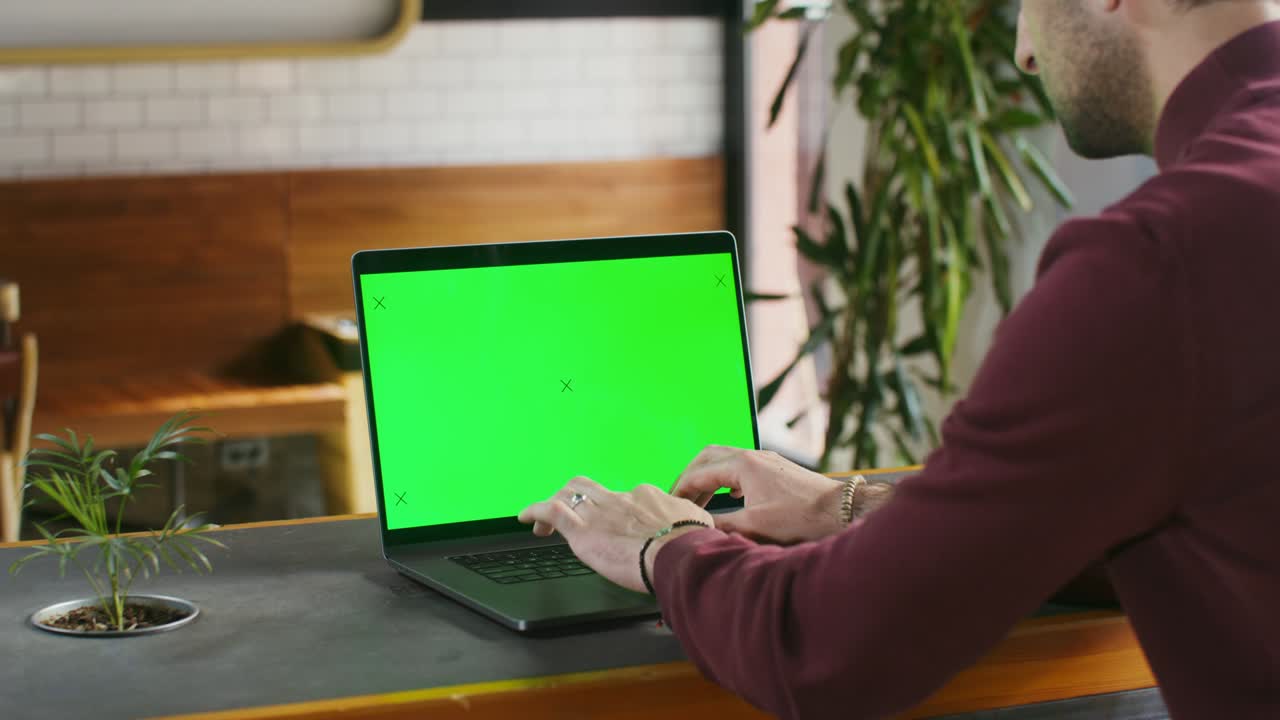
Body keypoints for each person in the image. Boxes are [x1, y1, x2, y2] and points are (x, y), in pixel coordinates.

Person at [519, 1, 1280, 717]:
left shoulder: (1155, 265)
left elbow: (821, 647)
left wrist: (661, 545)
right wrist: (846, 508)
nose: (1021, 50)